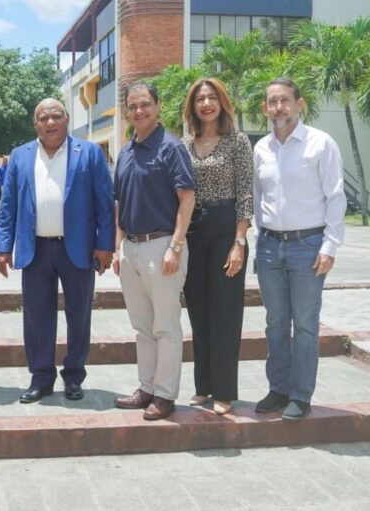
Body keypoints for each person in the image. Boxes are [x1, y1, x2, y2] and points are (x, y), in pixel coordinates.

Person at [0, 98, 115, 403]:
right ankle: (41, 378)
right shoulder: (21, 156)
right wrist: (3, 247)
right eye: (44, 118)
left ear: (66, 119)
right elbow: (8, 205)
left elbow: (104, 203)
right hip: (34, 250)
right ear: (35, 123)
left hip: (78, 250)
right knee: (37, 318)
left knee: (79, 316)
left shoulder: (88, 153)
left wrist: (105, 245)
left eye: (56, 116)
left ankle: (74, 377)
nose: (50, 122)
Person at [253, 77, 346, 421]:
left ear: (299, 104)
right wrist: (258, 237)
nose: (279, 107)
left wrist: (330, 245)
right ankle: (278, 389)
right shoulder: (261, 148)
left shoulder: (321, 144)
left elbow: (336, 196)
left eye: (285, 100)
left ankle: (300, 394)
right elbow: (259, 197)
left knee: (305, 323)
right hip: (269, 247)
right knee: (275, 322)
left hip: (308, 246)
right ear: (265, 108)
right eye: (272, 102)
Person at [112, 82, 196, 421]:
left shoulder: (171, 148)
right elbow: (120, 203)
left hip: (163, 246)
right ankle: (146, 387)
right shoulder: (126, 151)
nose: (139, 111)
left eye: (145, 104)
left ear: (158, 106)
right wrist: (118, 247)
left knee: (166, 326)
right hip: (131, 248)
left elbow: (187, 198)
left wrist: (175, 246)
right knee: (142, 327)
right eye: (133, 106)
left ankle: (165, 395)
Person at [181, 78, 253, 416]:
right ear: (192, 106)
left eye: (211, 97)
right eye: (200, 99)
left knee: (225, 314)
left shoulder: (237, 142)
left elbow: (245, 194)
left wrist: (239, 241)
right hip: (194, 231)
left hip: (227, 230)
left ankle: (224, 390)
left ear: (222, 102)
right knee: (199, 312)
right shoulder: (185, 144)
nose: (206, 103)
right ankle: (203, 386)